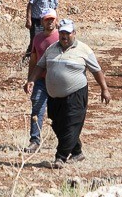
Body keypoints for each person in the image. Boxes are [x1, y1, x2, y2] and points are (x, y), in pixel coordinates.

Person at [31, 19, 110, 164]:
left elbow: (97, 71)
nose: (64, 36)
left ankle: (60, 157)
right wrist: (31, 80)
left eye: (67, 33)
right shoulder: (52, 49)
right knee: (57, 124)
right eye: (62, 33)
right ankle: (77, 152)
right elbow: (40, 66)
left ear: (74, 33)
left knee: (71, 124)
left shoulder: (84, 50)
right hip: (54, 96)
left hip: (76, 94)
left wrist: (104, 89)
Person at [23, 10, 60, 151]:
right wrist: (29, 80)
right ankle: (35, 140)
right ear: (42, 21)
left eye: (52, 19)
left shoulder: (61, 37)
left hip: (56, 81)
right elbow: (33, 60)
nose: (50, 22)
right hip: (40, 80)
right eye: (47, 19)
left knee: (57, 113)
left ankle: (65, 141)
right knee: (37, 108)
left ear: (56, 20)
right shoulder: (37, 38)